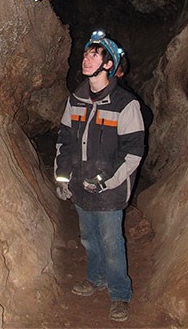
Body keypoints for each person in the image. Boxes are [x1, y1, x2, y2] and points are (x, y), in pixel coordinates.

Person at [53, 30, 145, 323]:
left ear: (108, 65)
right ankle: (95, 278)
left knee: (111, 242)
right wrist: (63, 177)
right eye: (85, 53)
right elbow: (64, 140)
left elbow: (132, 152)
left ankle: (120, 294)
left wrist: (105, 180)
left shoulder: (125, 104)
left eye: (95, 54)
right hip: (80, 184)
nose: (86, 58)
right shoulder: (76, 98)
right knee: (89, 238)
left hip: (109, 189)